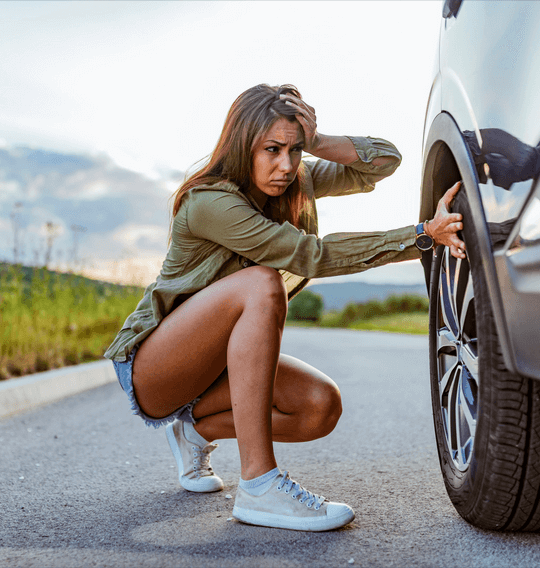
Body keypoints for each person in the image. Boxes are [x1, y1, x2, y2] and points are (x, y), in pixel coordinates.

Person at [104, 84, 465, 532]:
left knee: (319, 405)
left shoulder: (298, 176)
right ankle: (259, 487)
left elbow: (385, 161)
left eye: (295, 150)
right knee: (260, 284)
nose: (286, 165)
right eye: (272, 149)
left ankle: (196, 430)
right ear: (242, 145)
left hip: (214, 370)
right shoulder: (211, 202)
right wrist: (421, 236)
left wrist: (317, 141)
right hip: (155, 368)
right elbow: (308, 255)